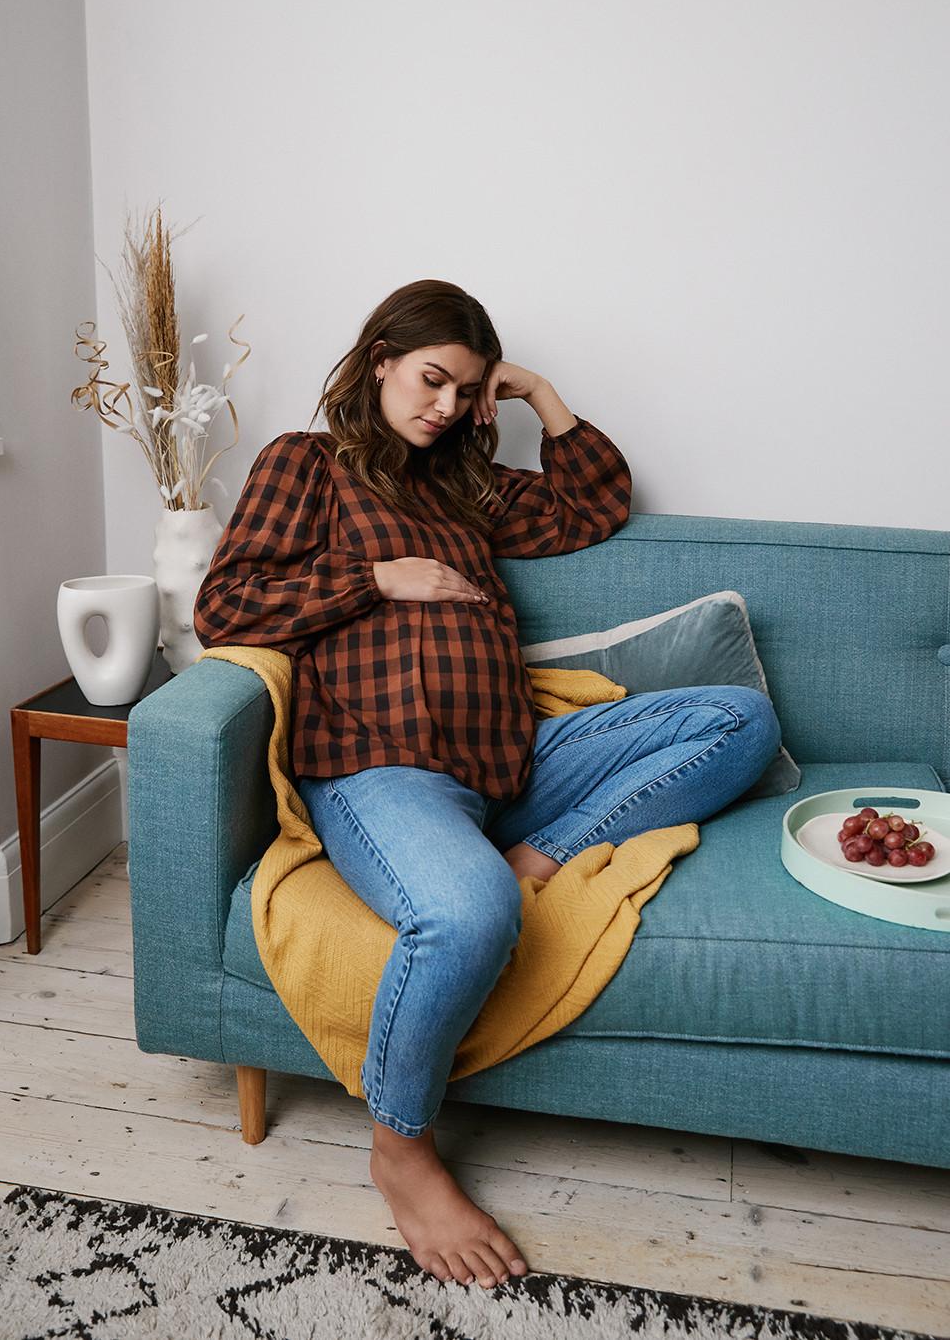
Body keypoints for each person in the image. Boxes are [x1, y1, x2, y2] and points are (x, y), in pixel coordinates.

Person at [194, 278, 782, 1292]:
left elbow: (593, 505)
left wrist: (541, 397)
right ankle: (401, 1148)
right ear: (379, 357)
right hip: (382, 773)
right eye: (432, 380)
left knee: (738, 719)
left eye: (466, 392)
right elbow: (225, 606)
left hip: (512, 767)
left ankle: (541, 853)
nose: (446, 407)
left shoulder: (468, 486)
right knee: (468, 916)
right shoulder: (309, 464)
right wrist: (378, 579)